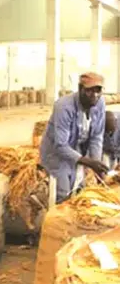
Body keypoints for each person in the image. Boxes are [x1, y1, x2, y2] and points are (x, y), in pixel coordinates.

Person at [40, 72, 108, 203]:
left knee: (80, 189)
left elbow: (96, 137)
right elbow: (60, 145)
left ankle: (75, 220)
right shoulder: (64, 106)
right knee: (64, 190)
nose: (94, 95)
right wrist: (88, 162)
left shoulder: (100, 103)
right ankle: (58, 219)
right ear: (80, 88)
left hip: (77, 148)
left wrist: (96, 163)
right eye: (89, 91)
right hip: (56, 152)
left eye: (98, 90)